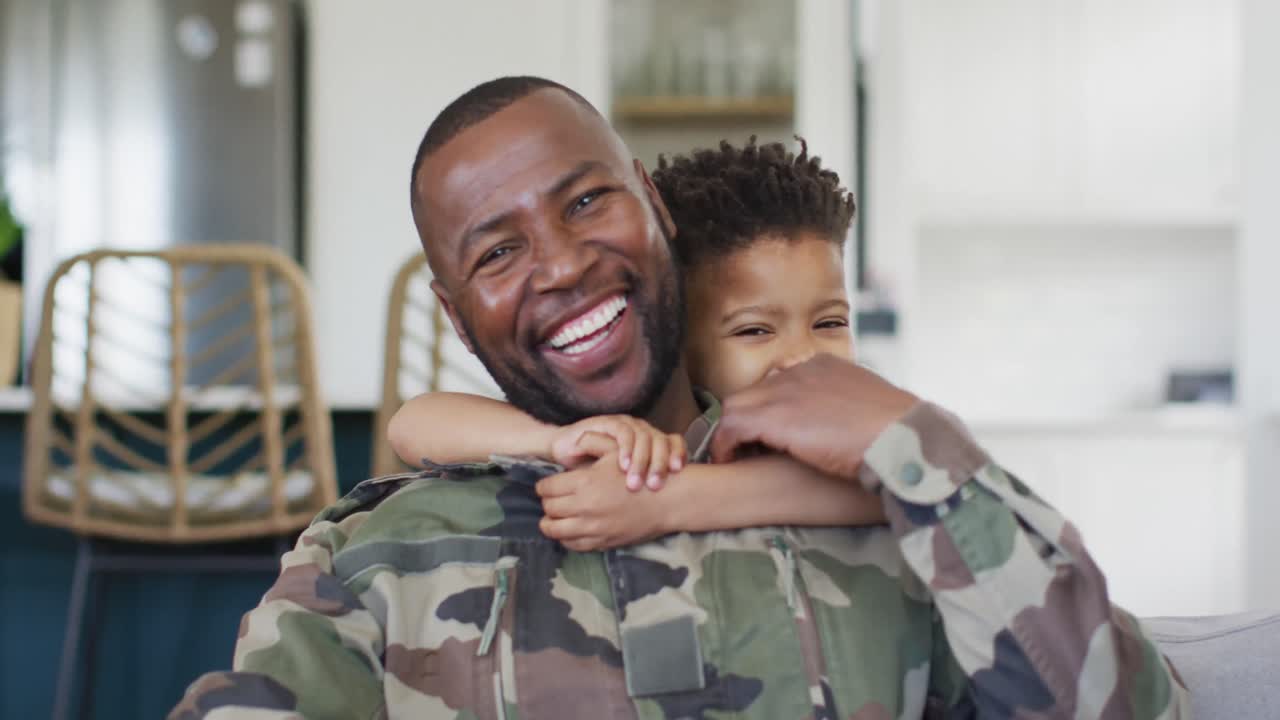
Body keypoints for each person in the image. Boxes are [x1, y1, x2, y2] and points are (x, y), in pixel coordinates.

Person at [169, 77, 1190, 719]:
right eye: (498, 252)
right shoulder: (381, 553)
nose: (562, 265)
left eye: (585, 201)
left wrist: (919, 447)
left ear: (652, 205)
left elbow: (1126, 707)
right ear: (455, 313)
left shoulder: (899, 513)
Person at [385, 136, 888, 551]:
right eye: (754, 330)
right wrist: (556, 441)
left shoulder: (849, 421)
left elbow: (887, 487)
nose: (803, 356)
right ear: (674, 337)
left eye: (830, 322)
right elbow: (412, 424)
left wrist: (672, 500)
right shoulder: (653, 434)